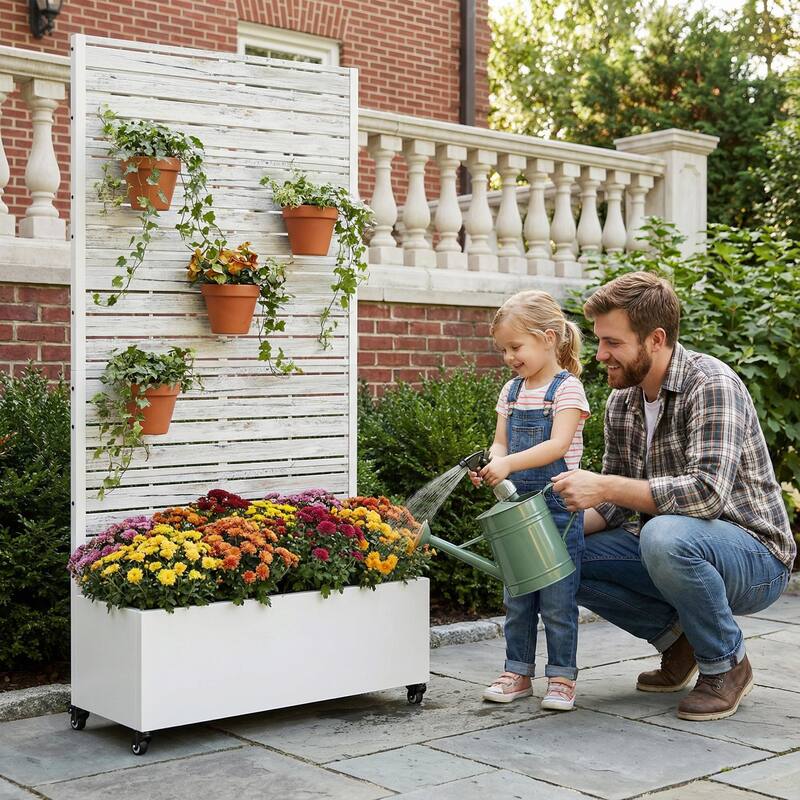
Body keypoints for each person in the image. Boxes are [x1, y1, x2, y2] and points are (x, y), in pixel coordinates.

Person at [551, 271, 795, 721]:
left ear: (655, 339)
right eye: (599, 340)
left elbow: (706, 495)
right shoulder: (622, 402)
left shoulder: (711, 384)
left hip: (756, 557)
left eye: (612, 342)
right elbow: (616, 502)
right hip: (675, 545)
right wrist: (550, 526)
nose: (600, 353)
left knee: (664, 535)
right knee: (559, 556)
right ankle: (679, 642)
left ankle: (727, 664)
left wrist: (602, 484)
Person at [470, 290, 590, 711]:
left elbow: (558, 446)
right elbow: (500, 444)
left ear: (549, 337)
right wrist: (492, 464)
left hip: (558, 510)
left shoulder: (567, 389)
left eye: (515, 347)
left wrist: (508, 464)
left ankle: (561, 677)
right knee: (517, 599)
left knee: (558, 601)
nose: (509, 356)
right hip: (518, 509)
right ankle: (517, 672)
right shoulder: (512, 391)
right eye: (503, 349)